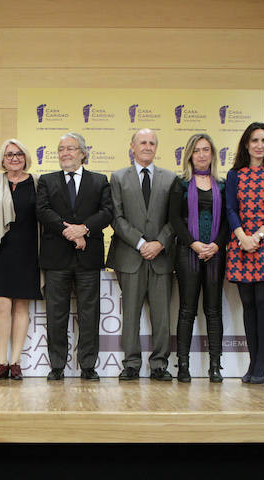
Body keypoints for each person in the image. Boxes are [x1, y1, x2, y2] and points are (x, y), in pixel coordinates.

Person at [36, 132, 113, 381]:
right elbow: (43, 210)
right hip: (56, 256)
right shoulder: (47, 181)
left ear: (82, 153)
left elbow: (108, 212)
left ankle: (88, 365)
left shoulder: (99, 180)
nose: (65, 153)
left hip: (88, 257)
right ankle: (57, 365)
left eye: (70, 148)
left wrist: (85, 229)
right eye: (61, 149)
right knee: (56, 314)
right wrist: (70, 232)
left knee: (89, 314)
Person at [107, 129, 175, 381]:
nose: (147, 146)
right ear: (132, 147)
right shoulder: (118, 177)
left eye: (152, 143)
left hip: (161, 257)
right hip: (130, 256)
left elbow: (175, 219)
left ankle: (159, 364)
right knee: (131, 314)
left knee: (162, 316)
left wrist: (159, 243)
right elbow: (116, 216)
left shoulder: (170, 179)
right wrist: (140, 243)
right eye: (142, 142)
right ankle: (131, 364)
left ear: (157, 148)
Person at [225, 122, 264, 384]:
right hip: (241, 245)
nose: (259, 145)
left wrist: (257, 237)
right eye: (254, 140)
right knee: (248, 306)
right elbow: (230, 209)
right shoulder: (234, 175)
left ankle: (261, 363)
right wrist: (242, 237)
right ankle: (253, 361)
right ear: (246, 145)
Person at [168, 133, 228, 383]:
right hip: (187, 253)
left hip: (215, 254)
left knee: (213, 311)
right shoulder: (179, 184)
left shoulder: (223, 185)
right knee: (186, 310)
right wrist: (194, 244)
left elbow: (228, 220)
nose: (201, 155)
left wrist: (215, 245)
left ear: (212, 154)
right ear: (189, 155)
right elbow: (173, 219)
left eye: (206, 150)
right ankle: (183, 366)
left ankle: (215, 366)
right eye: (196, 150)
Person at [0, 139, 40, 381]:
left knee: (21, 306)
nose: (14, 158)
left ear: (25, 157)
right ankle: (1, 361)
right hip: (0, 250)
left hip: (28, 250)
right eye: (9, 154)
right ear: (2, 158)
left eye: (18, 154)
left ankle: (16, 362)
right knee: (1, 304)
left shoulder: (38, 182)